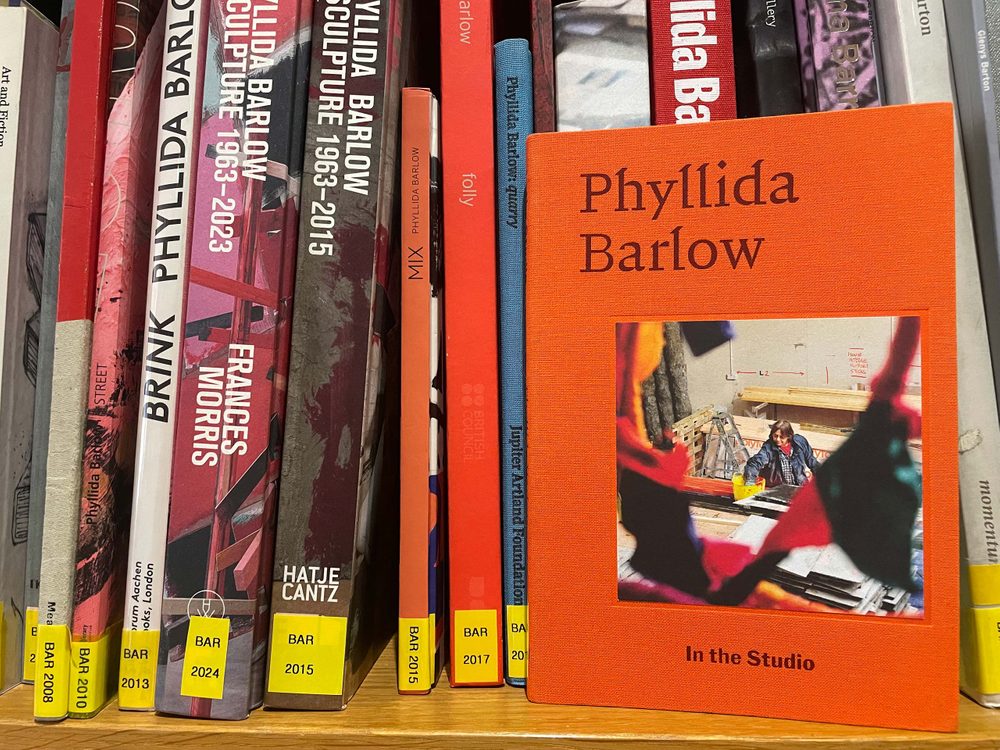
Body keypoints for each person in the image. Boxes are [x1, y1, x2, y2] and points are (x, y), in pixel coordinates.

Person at [743, 420, 821, 488]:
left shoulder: (800, 443)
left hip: (799, 485)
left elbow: (812, 462)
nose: (778, 439)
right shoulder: (768, 448)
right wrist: (750, 481)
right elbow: (755, 463)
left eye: (781, 437)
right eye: (775, 436)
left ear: (788, 436)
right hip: (777, 489)